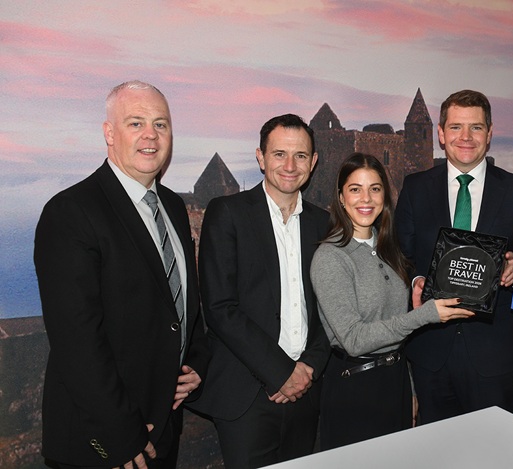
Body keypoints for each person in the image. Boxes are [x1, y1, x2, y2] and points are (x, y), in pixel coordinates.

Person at [34, 80, 209, 468]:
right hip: (102, 444)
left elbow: (182, 306)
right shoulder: (71, 213)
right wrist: (119, 436)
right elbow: (76, 341)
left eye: (161, 124)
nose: (151, 135)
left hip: (164, 428)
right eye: (136, 123)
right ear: (109, 133)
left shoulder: (175, 209)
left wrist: (196, 362)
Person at [190, 114, 331, 467]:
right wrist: (282, 373)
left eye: (300, 156)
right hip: (246, 394)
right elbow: (221, 308)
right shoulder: (228, 213)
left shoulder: (325, 223)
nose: (289, 165)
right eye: (279, 153)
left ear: (313, 162)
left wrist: (307, 369)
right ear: (260, 157)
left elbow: (331, 307)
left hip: (307, 390)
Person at [395, 89, 513, 424]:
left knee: (492, 453)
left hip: (493, 355)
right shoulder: (415, 188)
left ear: (489, 134)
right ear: (442, 135)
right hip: (431, 351)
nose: (466, 137)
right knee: (436, 455)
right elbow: (402, 255)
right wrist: (418, 280)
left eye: (476, 127)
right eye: (456, 127)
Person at [310, 153, 474, 449]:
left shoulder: (389, 249)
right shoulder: (330, 257)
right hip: (354, 390)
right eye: (355, 189)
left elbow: (398, 335)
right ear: (340, 197)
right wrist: (426, 315)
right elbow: (354, 339)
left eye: (375, 188)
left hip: (395, 382)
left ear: (385, 195)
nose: (366, 198)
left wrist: (409, 387)